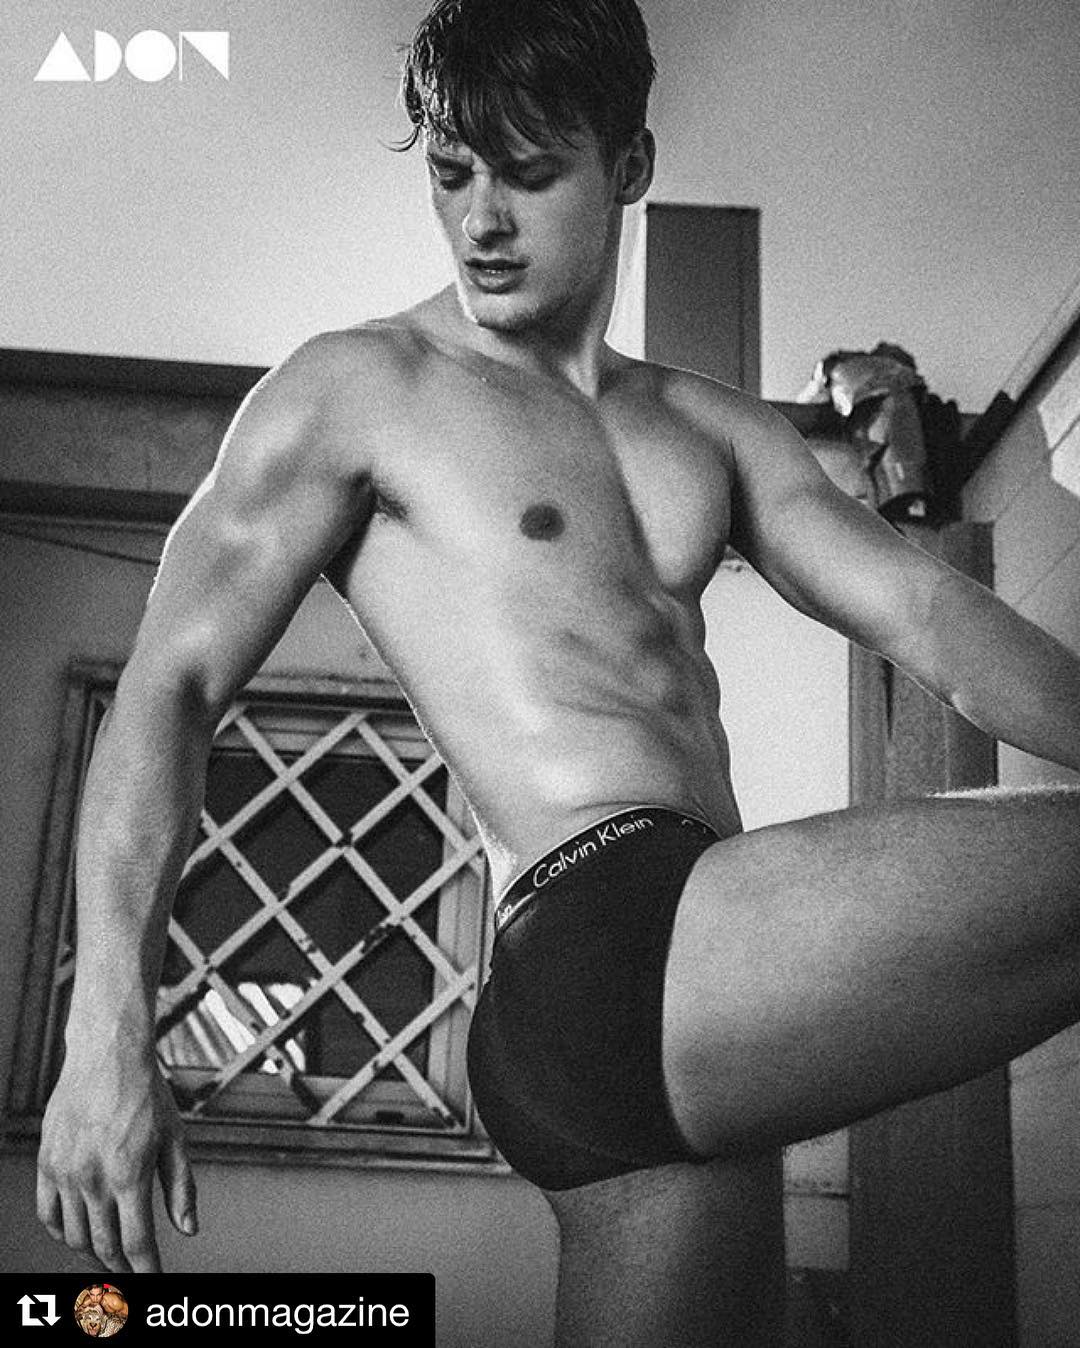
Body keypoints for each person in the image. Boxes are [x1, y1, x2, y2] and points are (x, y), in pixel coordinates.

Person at [37, 0, 1080, 1343]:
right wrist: (104, 1031)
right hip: (589, 935)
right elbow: (168, 688)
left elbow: (928, 616)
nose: (481, 221)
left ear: (629, 164)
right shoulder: (359, 390)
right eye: (452, 174)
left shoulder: (711, 428)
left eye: (529, 175)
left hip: (687, 996)